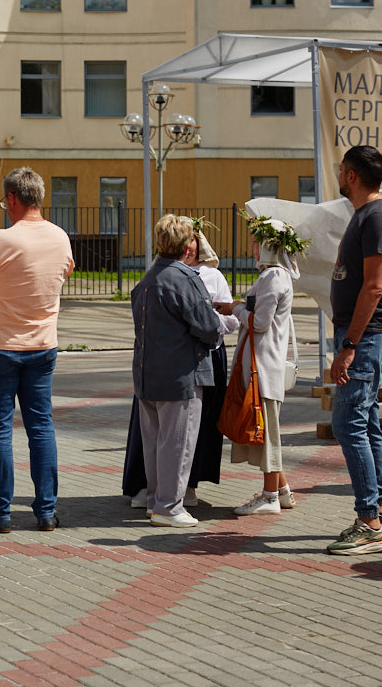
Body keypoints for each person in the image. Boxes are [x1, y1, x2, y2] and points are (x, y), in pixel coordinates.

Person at [0, 167, 74, 533]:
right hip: (43, 346)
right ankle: (46, 511)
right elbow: (65, 271)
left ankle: (0, 513)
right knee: (41, 427)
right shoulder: (60, 237)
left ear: (12, 199)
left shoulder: (1, 240)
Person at [326, 144, 382, 556]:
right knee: (366, 421)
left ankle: (369, 523)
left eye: (342, 171)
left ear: (351, 175)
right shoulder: (368, 214)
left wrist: (350, 346)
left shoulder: (377, 216)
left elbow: (374, 287)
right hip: (362, 334)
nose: (339, 177)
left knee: (348, 423)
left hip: (366, 335)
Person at [131, 215, 222, 528]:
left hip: (148, 373)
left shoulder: (148, 277)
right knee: (178, 444)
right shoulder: (186, 279)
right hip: (181, 374)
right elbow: (209, 329)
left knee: (156, 443)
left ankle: (157, 500)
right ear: (187, 248)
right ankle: (169, 507)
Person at [222, 216, 302, 515]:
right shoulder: (273, 276)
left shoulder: (274, 277)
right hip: (263, 366)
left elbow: (260, 322)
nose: (253, 247)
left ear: (270, 246)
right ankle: (281, 490)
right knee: (268, 431)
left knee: (267, 433)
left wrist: (236, 308)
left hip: (264, 368)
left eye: (258, 242)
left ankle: (269, 497)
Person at [182, 226, 239, 507]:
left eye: (192, 240)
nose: (188, 247)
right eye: (183, 241)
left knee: (202, 422)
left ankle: (191, 483)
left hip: (209, 353)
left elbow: (232, 320)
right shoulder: (166, 271)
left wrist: (211, 317)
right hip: (177, 356)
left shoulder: (213, 275)